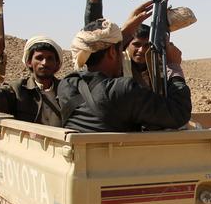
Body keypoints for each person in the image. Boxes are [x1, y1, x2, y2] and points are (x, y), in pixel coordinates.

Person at [58, 18, 191, 133]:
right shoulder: (123, 90)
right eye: (120, 48)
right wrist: (174, 66)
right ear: (111, 52)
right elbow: (179, 113)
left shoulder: (67, 84)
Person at [85, 0, 154, 88]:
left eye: (147, 45)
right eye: (136, 44)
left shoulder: (157, 68)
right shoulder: (116, 65)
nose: (142, 50)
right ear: (126, 44)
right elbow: (96, 37)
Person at [0, 36, 64, 126]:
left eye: (50, 58)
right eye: (39, 58)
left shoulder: (66, 90)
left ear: (57, 63)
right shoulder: (17, 90)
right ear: (29, 62)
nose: (44, 63)